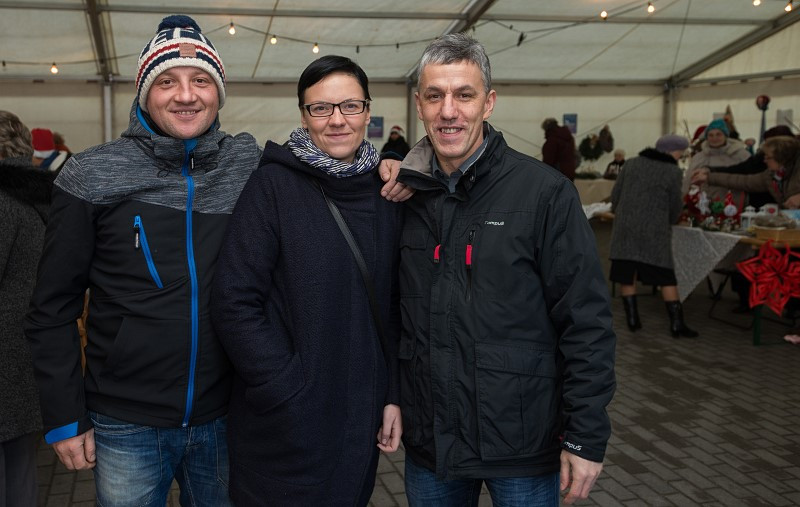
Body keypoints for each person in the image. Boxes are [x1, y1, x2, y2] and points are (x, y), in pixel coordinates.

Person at [23, 15, 263, 505]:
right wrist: (65, 417)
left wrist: (390, 165)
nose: (186, 95)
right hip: (124, 423)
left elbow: (327, 162)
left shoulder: (249, 166)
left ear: (219, 93)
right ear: (143, 93)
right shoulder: (91, 174)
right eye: (167, 81)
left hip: (226, 415)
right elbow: (52, 307)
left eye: (201, 81)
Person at [394, 33, 616, 506]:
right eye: (434, 96)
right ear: (419, 105)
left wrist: (585, 435)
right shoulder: (404, 198)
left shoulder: (543, 193)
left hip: (521, 445)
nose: (448, 111)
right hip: (432, 444)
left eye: (464, 95)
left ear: (488, 103)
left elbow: (586, 321)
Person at [211, 55, 402, 505]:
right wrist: (284, 385)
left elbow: (395, 305)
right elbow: (234, 300)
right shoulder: (272, 187)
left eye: (350, 106)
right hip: (286, 425)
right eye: (321, 108)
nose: (337, 120)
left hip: (360, 420)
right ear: (303, 116)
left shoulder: (387, 194)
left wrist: (392, 394)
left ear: (367, 113)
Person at [0, 110, 52, 506]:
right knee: (21, 470)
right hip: (27, 349)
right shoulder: (39, 195)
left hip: (5, 356)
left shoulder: (3, 202)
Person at [610, 134, 699, 338]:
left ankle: (633, 320)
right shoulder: (672, 171)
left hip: (625, 227)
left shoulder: (631, 163)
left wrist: (619, 212)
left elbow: (616, 194)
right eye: (680, 153)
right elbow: (675, 203)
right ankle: (677, 324)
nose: (680, 157)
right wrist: (673, 219)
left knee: (626, 272)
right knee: (665, 275)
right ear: (672, 151)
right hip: (654, 230)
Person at [691, 136, 800, 208]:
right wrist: (709, 177)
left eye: (768, 157)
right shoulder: (770, 176)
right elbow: (743, 181)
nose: (764, 160)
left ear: (781, 158)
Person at [682, 118, 749, 198]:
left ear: (725, 136)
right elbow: (688, 181)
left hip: (733, 201)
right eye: (711, 135)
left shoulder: (740, 155)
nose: (714, 138)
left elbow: (749, 180)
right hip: (704, 202)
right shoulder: (699, 157)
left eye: (718, 134)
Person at [541, 116, 577, 181]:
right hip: (570, 172)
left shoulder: (552, 140)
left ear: (547, 128)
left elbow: (548, 160)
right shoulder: (569, 137)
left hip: (558, 175)